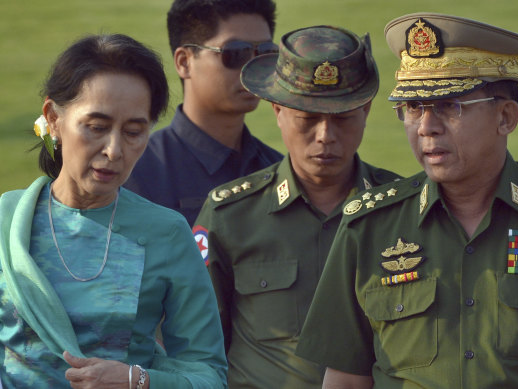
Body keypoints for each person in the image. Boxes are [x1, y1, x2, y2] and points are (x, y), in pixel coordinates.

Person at [296, 13, 518, 389]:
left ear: (506, 117)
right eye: (413, 107)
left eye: (450, 106)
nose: (426, 126)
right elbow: (346, 380)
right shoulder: (368, 226)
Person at [0, 34, 227, 388]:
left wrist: (139, 380)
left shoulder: (165, 233)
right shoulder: (7, 221)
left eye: (134, 131)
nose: (114, 150)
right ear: (53, 119)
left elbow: (208, 375)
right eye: (97, 127)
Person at [194, 25, 402, 388]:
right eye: (308, 119)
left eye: (342, 118)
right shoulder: (229, 216)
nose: (325, 136)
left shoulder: (403, 211)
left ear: (366, 110)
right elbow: (196, 341)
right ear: (278, 110)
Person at [124, 0, 283, 227]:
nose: (253, 67)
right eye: (236, 53)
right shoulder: (135, 172)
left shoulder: (279, 170)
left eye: (265, 53)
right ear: (185, 62)